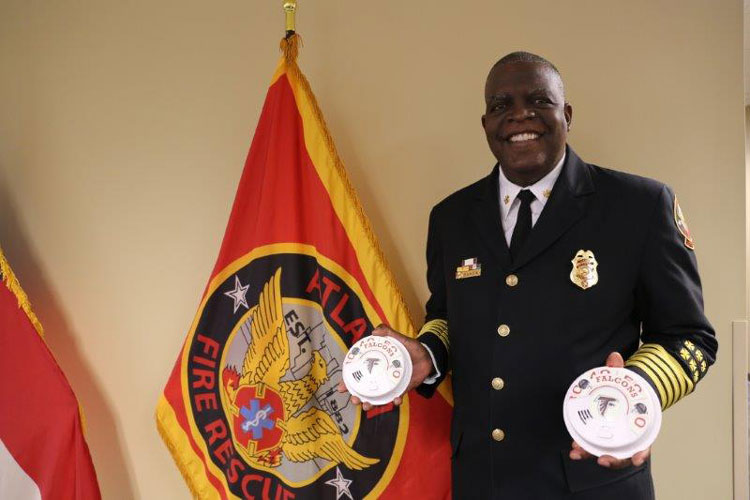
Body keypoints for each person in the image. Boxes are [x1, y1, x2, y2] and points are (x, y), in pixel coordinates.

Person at [341, 51, 717, 499]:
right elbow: (448, 316)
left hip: (593, 479)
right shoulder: (452, 217)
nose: (520, 115)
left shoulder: (638, 206)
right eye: (501, 105)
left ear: (567, 115)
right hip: (484, 480)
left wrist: (633, 392)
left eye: (539, 101)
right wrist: (425, 355)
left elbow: (690, 337)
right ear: (486, 125)